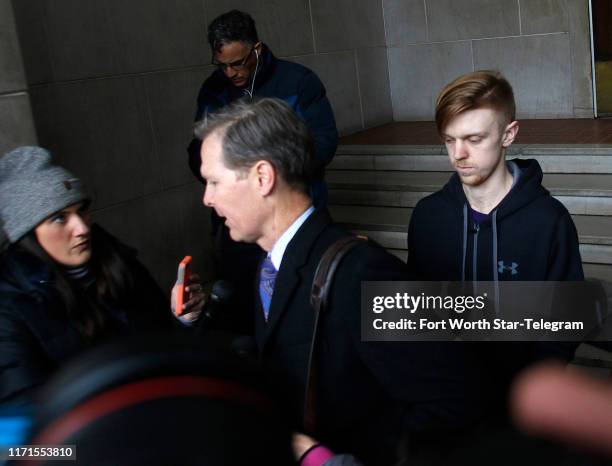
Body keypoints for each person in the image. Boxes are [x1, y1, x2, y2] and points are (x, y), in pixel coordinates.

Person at [196, 97, 487, 465]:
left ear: (262, 177)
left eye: (214, 181)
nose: (207, 198)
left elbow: (454, 404)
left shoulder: (363, 274)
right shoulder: (270, 265)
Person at [406, 70, 584, 415]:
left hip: (522, 405)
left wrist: (533, 390)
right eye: (449, 140)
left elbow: (564, 320)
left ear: (508, 134)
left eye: (474, 139)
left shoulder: (549, 220)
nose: (459, 154)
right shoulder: (428, 216)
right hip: (445, 402)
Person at [0, 146, 204, 407]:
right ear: (28, 235)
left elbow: (163, 351)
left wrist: (182, 321)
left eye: (82, 210)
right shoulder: (10, 308)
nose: (82, 228)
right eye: (60, 219)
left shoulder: (118, 263)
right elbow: (26, 438)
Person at [187, 9, 338, 206]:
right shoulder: (213, 90)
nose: (230, 73)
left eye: (237, 63)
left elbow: (324, 142)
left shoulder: (299, 82)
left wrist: (274, 178)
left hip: (293, 207)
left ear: (256, 49)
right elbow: (199, 148)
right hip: (236, 212)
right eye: (222, 66)